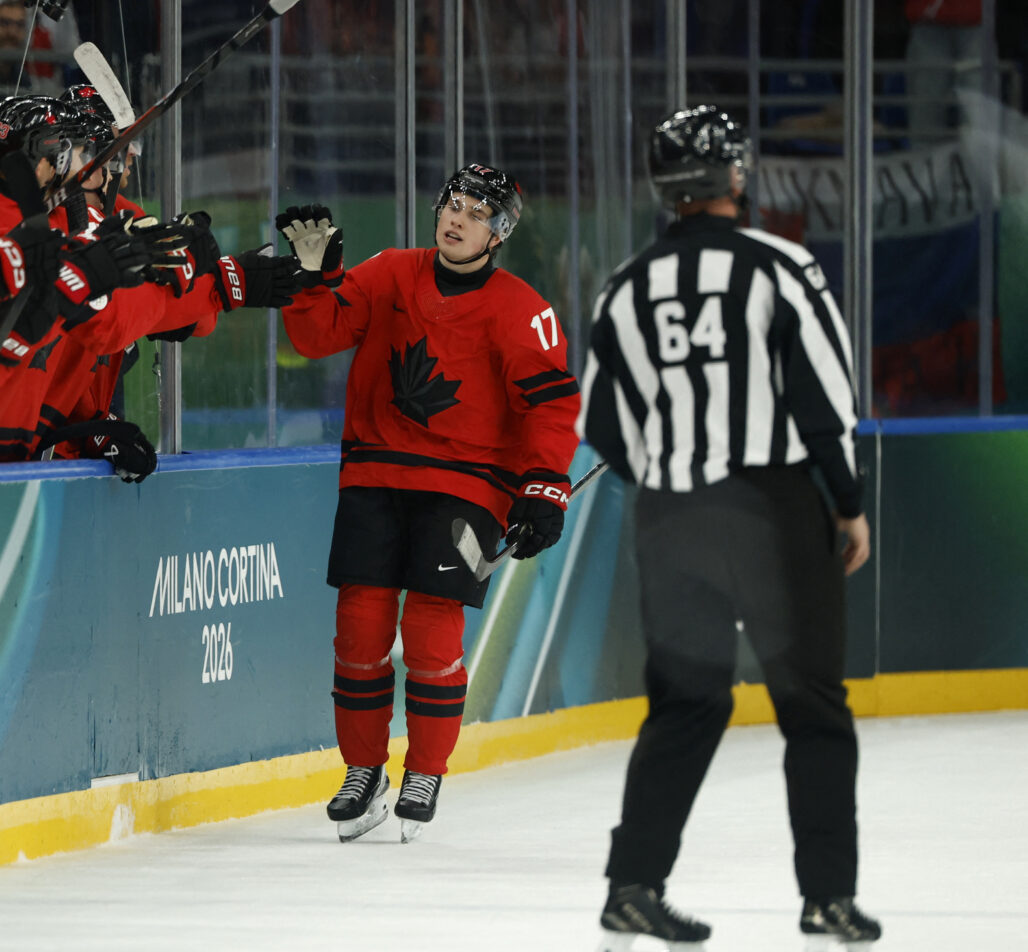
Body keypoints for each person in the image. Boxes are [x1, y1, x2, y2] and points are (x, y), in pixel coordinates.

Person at [576, 105, 881, 951]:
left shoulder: (625, 286)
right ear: (734, 178)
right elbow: (827, 403)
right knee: (812, 704)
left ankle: (632, 887)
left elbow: (599, 421)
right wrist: (847, 505)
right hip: (776, 509)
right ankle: (827, 898)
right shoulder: (781, 267)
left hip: (671, 514)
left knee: (686, 704)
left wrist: (668, 482)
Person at [279, 165, 581, 843]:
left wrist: (542, 486)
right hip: (376, 473)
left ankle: (426, 769)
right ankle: (363, 770)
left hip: (468, 484)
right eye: (453, 203)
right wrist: (312, 280)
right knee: (359, 630)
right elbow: (315, 336)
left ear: (498, 233)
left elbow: (550, 407)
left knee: (431, 633)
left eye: (477, 212)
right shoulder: (389, 272)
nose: (457, 218)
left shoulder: (520, 309)